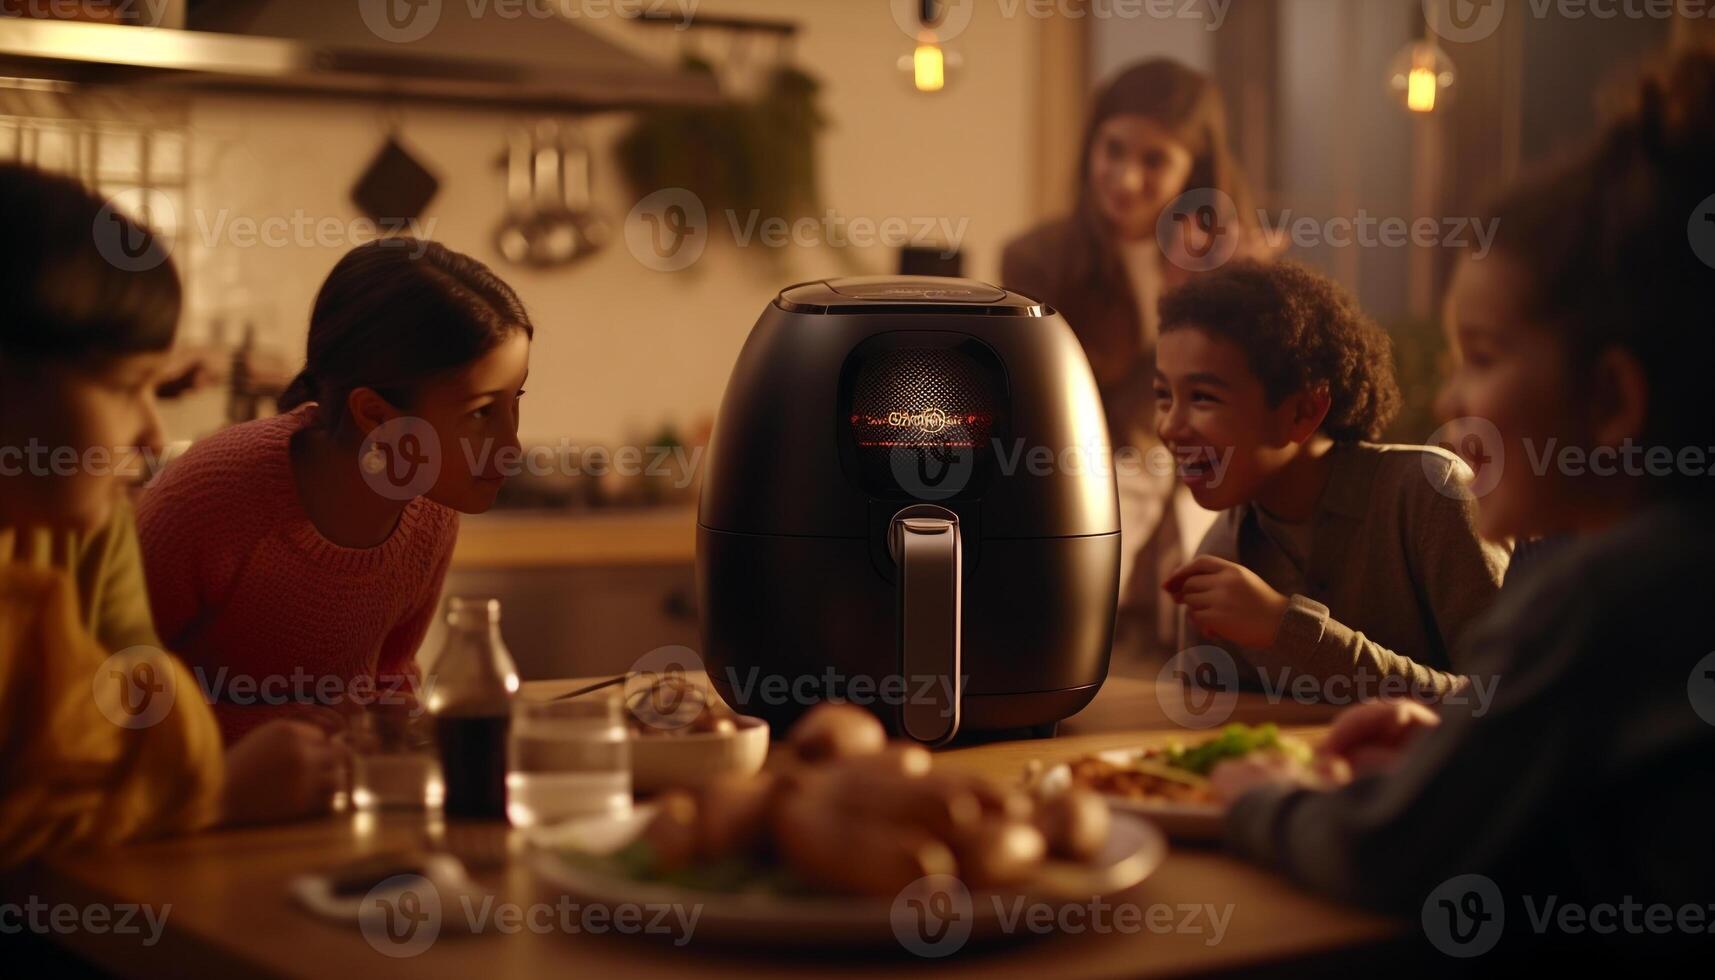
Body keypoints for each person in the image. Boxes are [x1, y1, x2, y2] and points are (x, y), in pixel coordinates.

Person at [1211, 47, 1715, 957]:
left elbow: (1386, 853)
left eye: (1480, 357)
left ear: (1609, 402)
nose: (1448, 400)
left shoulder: (1598, 598)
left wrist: (1254, 800)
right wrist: (1454, 743)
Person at [0, 163, 341, 864]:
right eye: (128, 388)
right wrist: (217, 794)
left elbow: (135, 710)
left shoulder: (86, 525)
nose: (153, 437)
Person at [136, 239, 533, 742]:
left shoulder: (431, 511)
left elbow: (389, 678)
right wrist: (264, 731)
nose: (511, 448)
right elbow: (101, 688)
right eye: (480, 413)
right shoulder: (208, 499)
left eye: (514, 401)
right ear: (374, 415)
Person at [1001, 59, 1275, 666]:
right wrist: (1175, 309)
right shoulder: (1036, 261)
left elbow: (1253, 404)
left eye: (1155, 161)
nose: (1125, 178)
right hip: (1088, 485)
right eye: (1113, 149)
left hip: (1206, 494)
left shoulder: (1227, 257)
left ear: (1194, 171)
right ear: (1089, 147)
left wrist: (1248, 295)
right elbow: (1055, 406)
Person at [1156, 261, 1508, 696]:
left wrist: (1286, 628)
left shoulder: (1430, 492)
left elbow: (1507, 699)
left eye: (1203, 397)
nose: (1170, 426)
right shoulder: (1223, 551)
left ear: (1304, 411)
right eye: (1162, 396)